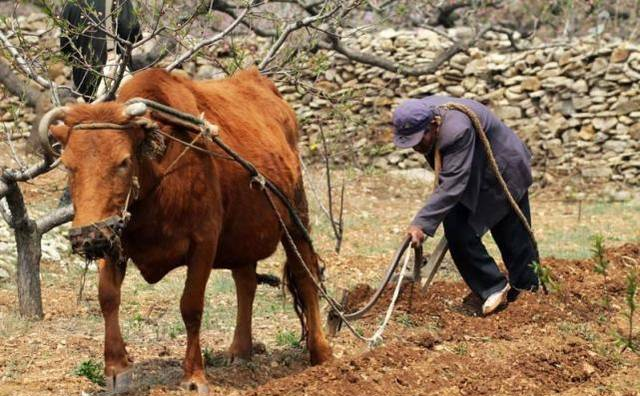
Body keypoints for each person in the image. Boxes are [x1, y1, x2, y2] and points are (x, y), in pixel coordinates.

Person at [392, 96, 540, 315]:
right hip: (472, 175)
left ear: (433, 124)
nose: (416, 148)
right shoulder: (419, 114)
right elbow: (453, 179)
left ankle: (529, 294)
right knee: (457, 229)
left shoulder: (456, 131)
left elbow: (452, 185)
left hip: (504, 170)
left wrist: (421, 222)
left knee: (513, 236)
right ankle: (494, 286)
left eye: (418, 141)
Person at [60, 0, 141, 101]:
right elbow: (132, 31)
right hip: (113, 72)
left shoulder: (70, 3)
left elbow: (65, 47)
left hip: (84, 80)